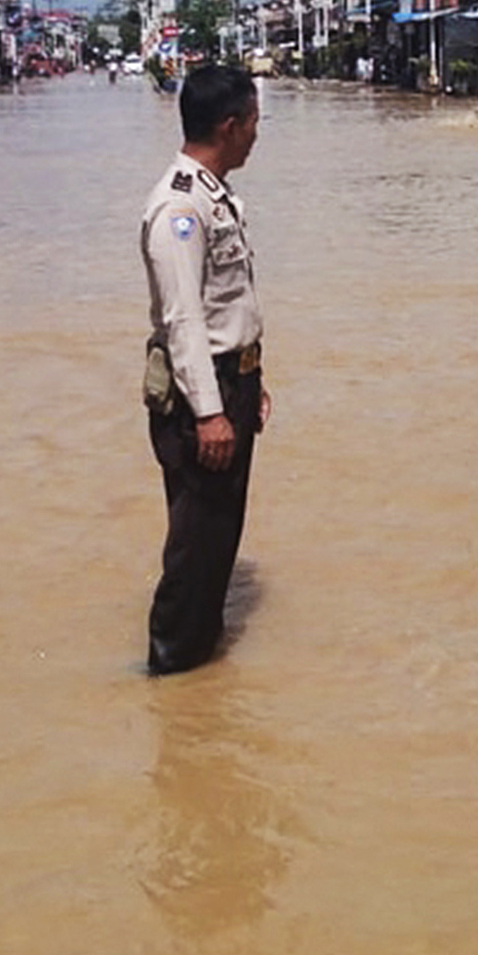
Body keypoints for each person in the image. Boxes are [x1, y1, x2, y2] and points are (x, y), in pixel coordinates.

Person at [139, 63, 271, 676]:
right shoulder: (180, 208)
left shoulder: (215, 197)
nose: (256, 134)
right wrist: (212, 411)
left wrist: (252, 380)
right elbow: (184, 318)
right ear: (229, 125)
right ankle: (172, 674)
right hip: (204, 398)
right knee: (196, 547)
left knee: (219, 537)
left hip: (229, 382)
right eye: (253, 121)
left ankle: (202, 671)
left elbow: (229, 306)